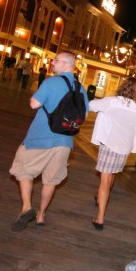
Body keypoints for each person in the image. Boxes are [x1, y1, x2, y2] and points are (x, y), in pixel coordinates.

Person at [8, 52, 88, 231]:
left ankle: (27, 207)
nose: (53, 63)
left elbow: (34, 104)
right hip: (65, 142)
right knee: (51, 180)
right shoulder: (81, 89)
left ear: (68, 64)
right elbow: (84, 115)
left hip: (40, 137)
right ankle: (41, 214)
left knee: (24, 171)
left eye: (57, 61)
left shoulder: (51, 82)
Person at [89, 77, 136, 230]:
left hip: (109, 144)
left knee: (105, 180)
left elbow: (91, 105)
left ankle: (100, 218)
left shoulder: (111, 101)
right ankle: (99, 195)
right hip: (124, 148)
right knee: (111, 175)